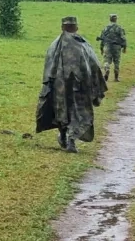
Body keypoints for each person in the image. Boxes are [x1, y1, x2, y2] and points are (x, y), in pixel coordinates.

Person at [36, 16, 107, 153]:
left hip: (72, 87)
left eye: (70, 26)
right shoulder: (78, 44)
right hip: (67, 87)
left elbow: (92, 65)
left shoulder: (68, 45)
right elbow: (94, 66)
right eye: (69, 27)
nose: (70, 29)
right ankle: (69, 139)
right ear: (76, 27)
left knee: (64, 112)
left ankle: (67, 138)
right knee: (72, 113)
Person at [97, 14, 127, 82]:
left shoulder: (105, 28)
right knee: (117, 62)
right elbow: (123, 38)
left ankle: (107, 70)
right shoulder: (119, 28)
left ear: (110, 19)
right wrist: (124, 47)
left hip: (107, 46)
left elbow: (102, 38)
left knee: (106, 60)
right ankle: (116, 77)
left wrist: (101, 48)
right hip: (117, 47)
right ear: (116, 19)